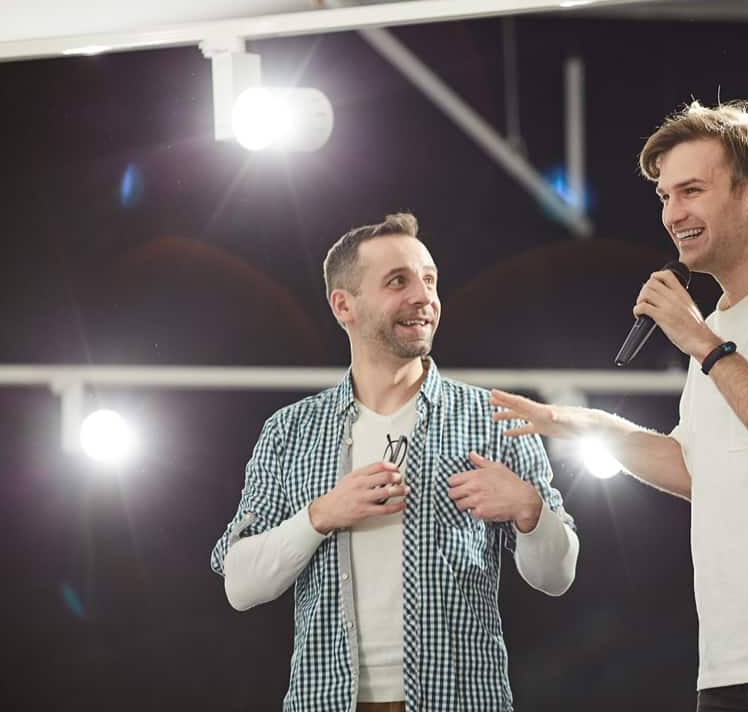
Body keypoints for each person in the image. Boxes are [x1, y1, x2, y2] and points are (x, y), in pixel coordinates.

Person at [492, 101, 748, 711]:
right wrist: (571, 422)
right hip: (727, 661)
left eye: (691, 191)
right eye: (665, 197)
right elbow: (697, 470)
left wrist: (703, 344)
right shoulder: (712, 329)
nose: (673, 214)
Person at [211, 212, 579, 712]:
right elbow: (240, 586)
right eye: (397, 281)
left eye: (429, 280)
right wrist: (321, 515)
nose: (423, 297)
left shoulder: (496, 420)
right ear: (344, 305)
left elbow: (556, 577)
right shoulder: (289, 431)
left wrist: (530, 510)